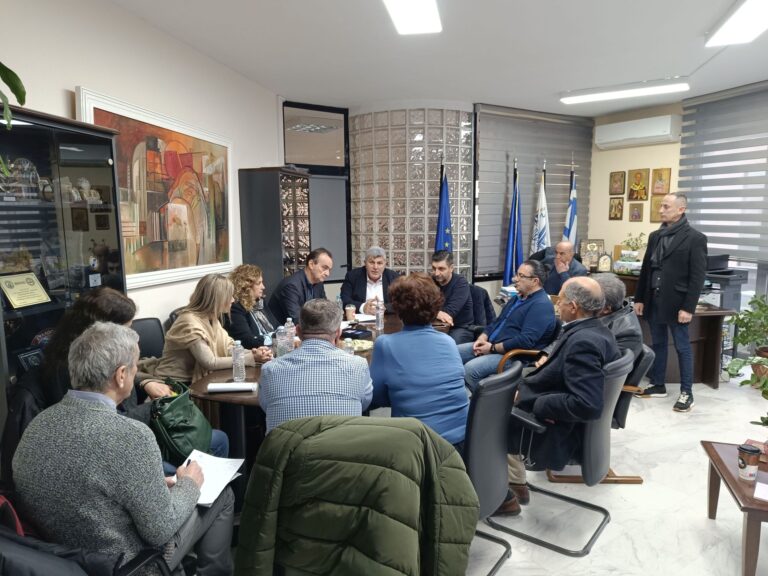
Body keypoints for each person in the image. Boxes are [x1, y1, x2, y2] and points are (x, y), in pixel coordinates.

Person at [13, 322, 235, 575]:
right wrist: (189, 484)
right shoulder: (132, 436)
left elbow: (84, 490)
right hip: (131, 565)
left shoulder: (36, 425)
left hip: (64, 562)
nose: (137, 371)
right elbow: (161, 530)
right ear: (120, 375)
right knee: (223, 495)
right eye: (135, 366)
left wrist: (153, 486)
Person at [41, 286, 229, 473]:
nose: (132, 336)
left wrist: (145, 382)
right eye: (127, 329)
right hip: (117, 450)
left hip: (123, 436)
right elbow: (107, 426)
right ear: (105, 330)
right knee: (217, 441)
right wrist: (154, 408)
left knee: (216, 438)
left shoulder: (80, 354)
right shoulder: (69, 370)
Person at [496, 277, 621, 516]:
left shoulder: (584, 342)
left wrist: (535, 403)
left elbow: (586, 404)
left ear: (573, 307)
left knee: (483, 421)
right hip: (548, 407)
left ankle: (504, 495)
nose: (557, 304)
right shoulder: (598, 331)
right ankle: (514, 485)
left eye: (560, 299)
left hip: (550, 428)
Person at [369, 273, 468, 450]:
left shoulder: (385, 344)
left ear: (397, 308)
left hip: (418, 447)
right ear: (435, 306)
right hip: (461, 444)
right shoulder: (449, 341)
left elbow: (376, 398)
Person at [634, 193, 707, 412]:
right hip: (654, 299)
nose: (661, 210)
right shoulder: (655, 236)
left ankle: (687, 393)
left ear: (681, 209)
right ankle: (658, 384)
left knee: (683, 348)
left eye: (666, 206)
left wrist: (688, 307)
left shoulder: (695, 238)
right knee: (657, 344)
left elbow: (697, 277)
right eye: (661, 206)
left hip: (678, 303)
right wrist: (639, 298)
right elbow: (646, 269)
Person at [259, 298, 372, 433]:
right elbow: (364, 404)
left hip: (285, 447)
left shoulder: (270, 369)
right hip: (341, 446)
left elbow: (266, 406)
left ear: (298, 331)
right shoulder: (358, 366)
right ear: (338, 333)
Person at [140, 273, 266, 384]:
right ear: (217, 298)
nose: (233, 300)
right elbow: (209, 362)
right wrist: (249, 359)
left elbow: (227, 347)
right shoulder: (189, 322)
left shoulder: (211, 318)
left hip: (200, 380)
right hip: (176, 385)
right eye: (229, 296)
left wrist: (253, 353)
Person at [457, 260, 557, 392]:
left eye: (521, 276)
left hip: (514, 357)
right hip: (492, 345)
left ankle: (485, 404)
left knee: (470, 370)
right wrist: (483, 337)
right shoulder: (517, 298)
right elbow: (497, 322)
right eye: (517, 274)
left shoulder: (541, 305)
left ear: (535, 281)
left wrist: (492, 348)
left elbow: (525, 341)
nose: (515, 279)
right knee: (451, 352)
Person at [268, 247, 333, 325]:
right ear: (311, 264)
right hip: (282, 331)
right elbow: (297, 320)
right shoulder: (291, 286)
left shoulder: (318, 283)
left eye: (329, 270)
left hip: (308, 328)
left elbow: (325, 310)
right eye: (324, 268)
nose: (327, 274)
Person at [223, 263, 277, 357]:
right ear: (246, 286)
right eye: (259, 283)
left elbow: (275, 326)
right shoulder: (235, 308)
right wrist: (276, 337)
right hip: (253, 356)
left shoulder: (259, 302)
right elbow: (247, 341)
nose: (263, 287)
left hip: (270, 350)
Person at [430, 250, 474, 344]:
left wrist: (432, 312)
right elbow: (417, 304)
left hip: (459, 328)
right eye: (434, 268)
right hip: (435, 325)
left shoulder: (461, 283)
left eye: (441, 269)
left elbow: (449, 312)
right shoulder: (430, 281)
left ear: (451, 268)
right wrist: (436, 313)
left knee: (447, 345)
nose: (436, 273)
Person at [340, 246, 400, 315]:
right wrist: (363, 307)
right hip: (360, 320)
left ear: (385, 264)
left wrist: (385, 307)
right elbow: (344, 300)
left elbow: (402, 302)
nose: (375, 267)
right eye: (371, 262)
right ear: (365, 263)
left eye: (379, 263)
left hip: (387, 319)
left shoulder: (394, 278)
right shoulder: (352, 276)